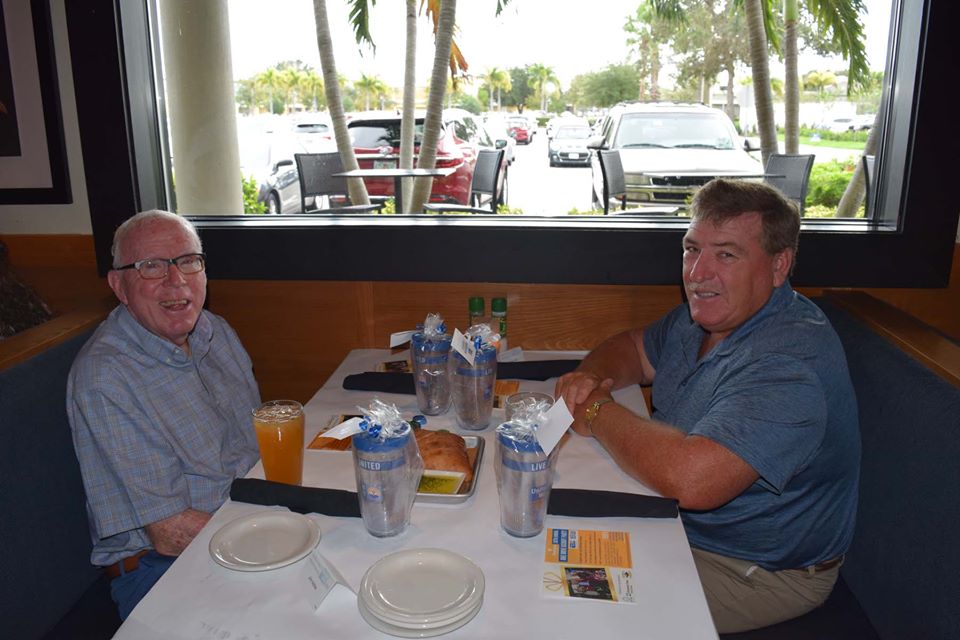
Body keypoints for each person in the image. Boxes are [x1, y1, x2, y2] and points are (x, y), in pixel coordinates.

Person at [555, 179, 860, 633]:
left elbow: (693, 480)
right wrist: (588, 379)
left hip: (755, 572)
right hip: (678, 529)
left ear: (780, 266)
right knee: (538, 544)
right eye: (691, 249)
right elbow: (634, 349)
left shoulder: (791, 362)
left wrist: (596, 409)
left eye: (727, 254)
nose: (698, 273)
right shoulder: (707, 316)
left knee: (573, 612)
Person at [67, 210, 261, 619]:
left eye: (189, 261)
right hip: (161, 569)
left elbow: (254, 449)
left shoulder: (215, 331)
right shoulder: (107, 378)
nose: (177, 281)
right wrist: (280, 535)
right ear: (119, 285)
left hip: (244, 519)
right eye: (151, 266)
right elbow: (171, 533)